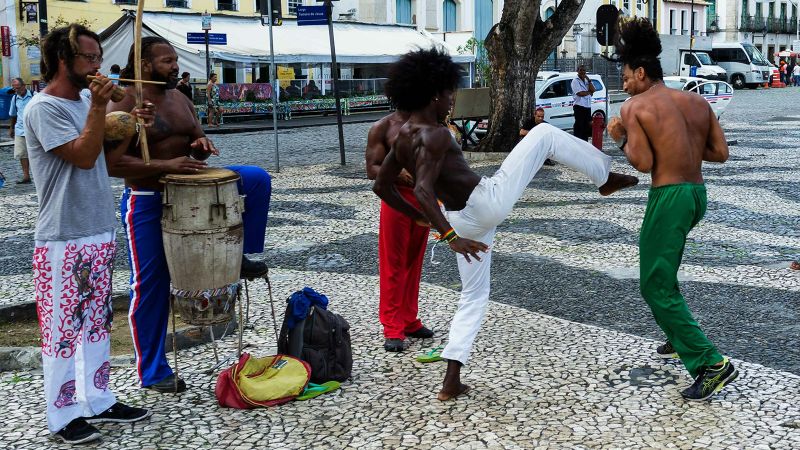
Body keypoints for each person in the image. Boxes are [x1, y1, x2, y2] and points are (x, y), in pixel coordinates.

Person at [373, 47, 638, 401]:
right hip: (484, 203)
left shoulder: (404, 134)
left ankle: (451, 379)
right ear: (434, 93)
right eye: (450, 93)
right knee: (543, 135)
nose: (452, 101)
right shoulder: (435, 134)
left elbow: (381, 185)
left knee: (474, 295)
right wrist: (448, 237)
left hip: (463, 220)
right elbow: (421, 188)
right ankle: (603, 176)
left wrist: (423, 219)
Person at [107, 37, 272, 394]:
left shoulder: (180, 97)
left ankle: (246, 255)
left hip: (191, 188)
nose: (175, 66)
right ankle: (152, 370)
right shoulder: (123, 100)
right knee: (150, 285)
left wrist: (201, 146)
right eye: (167, 61)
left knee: (256, 179)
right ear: (146, 64)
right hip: (149, 197)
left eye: (175, 59)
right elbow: (112, 164)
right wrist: (165, 163)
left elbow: (197, 142)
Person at [24, 24, 153, 444]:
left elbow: (105, 160)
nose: (98, 66)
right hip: (62, 236)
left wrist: (132, 126)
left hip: (97, 227)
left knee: (97, 323)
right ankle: (63, 414)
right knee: (62, 330)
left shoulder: (83, 100)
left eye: (99, 57)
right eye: (90, 58)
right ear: (64, 60)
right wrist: (99, 108)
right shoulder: (43, 109)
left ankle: (99, 398)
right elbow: (79, 157)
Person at [606, 17, 737, 402]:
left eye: (627, 76)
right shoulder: (697, 101)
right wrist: (682, 147)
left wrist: (620, 138)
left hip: (669, 197)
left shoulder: (635, 107)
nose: (624, 83)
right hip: (697, 195)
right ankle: (675, 335)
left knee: (653, 283)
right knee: (666, 270)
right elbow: (720, 154)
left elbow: (643, 163)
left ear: (642, 72)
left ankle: (710, 364)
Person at [366, 110, 434, 352]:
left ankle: (409, 319)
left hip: (423, 198)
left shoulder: (428, 121)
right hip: (395, 200)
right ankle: (392, 326)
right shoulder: (382, 126)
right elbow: (371, 168)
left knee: (414, 263)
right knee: (393, 263)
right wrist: (395, 172)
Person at [9, 77, 33, 184]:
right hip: (20, 129)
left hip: (33, 130)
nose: (17, 90)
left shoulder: (34, 95)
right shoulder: (14, 99)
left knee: (37, 153)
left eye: (18, 88)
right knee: (22, 154)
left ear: (24, 86)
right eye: (15, 89)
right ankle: (26, 176)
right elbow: (13, 115)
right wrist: (11, 128)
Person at [571, 65, 595, 141]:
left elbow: (593, 90)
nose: (582, 72)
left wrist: (589, 80)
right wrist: (589, 92)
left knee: (586, 126)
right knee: (579, 126)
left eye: (584, 70)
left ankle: (585, 142)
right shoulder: (575, 81)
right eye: (581, 70)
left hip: (587, 106)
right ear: (577, 71)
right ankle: (578, 142)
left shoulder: (586, 80)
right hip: (579, 106)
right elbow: (580, 93)